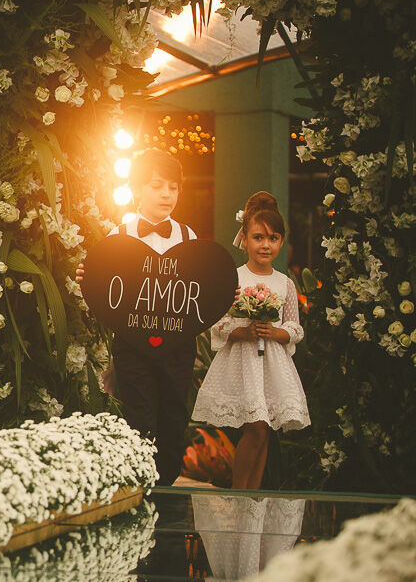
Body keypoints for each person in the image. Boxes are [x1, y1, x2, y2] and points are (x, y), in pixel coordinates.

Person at [75, 149, 200, 485]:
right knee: (139, 416)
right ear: (135, 189)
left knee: (175, 416)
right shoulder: (118, 237)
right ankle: (139, 489)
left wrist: (220, 292)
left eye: (173, 187)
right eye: (157, 185)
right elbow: (105, 288)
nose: (166, 194)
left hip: (178, 346)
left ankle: (167, 490)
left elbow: (199, 289)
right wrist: (89, 279)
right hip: (133, 345)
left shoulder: (188, 237)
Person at [191, 192, 309, 489]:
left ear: (281, 241)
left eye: (273, 238)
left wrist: (277, 332)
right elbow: (217, 323)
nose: (265, 245)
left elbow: (294, 327)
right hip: (242, 363)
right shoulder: (234, 278)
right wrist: (243, 331)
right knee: (255, 428)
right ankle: (239, 492)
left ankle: (251, 496)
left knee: (264, 430)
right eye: (258, 237)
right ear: (244, 239)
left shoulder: (284, 283)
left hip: (271, 366)